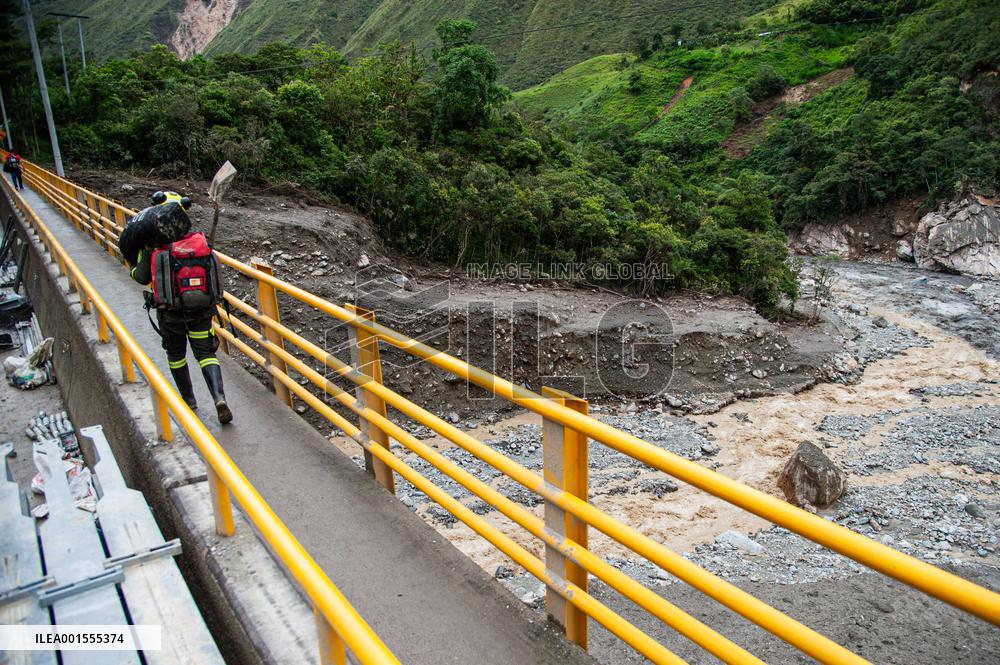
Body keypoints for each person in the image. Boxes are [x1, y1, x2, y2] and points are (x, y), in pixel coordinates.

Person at [119, 191, 233, 424]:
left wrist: (131, 265)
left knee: (176, 355)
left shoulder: (152, 246)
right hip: (201, 310)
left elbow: (141, 277)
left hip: (170, 313)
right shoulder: (197, 241)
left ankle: (189, 401)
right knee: (205, 354)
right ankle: (219, 398)